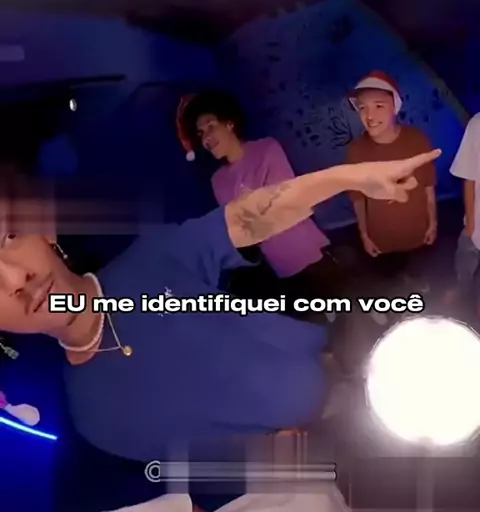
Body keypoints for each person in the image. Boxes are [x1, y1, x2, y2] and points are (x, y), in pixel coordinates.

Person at [0, 149, 440, 512]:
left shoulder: (150, 261)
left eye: (9, 237)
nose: (16, 278)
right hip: (314, 483)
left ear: (42, 230)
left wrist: (349, 178)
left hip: (379, 393)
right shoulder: (87, 416)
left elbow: (246, 219)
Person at [180, 90, 341, 326]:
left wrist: (255, 219)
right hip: (282, 271)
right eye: (201, 133)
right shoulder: (218, 181)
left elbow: (286, 205)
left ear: (229, 123)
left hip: (313, 257)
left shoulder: (267, 148)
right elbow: (239, 230)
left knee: (349, 318)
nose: (206, 137)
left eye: (210, 126)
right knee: (315, 330)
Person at [346, 72, 438, 301]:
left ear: (395, 107)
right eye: (362, 108)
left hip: (417, 232)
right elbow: (357, 198)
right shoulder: (356, 150)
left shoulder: (417, 140)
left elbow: (428, 186)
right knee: (388, 280)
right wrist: (364, 234)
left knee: (417, 272)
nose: (370, 116)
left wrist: (433, 222)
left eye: (379, 106)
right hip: (381, 237)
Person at [448, 113, 480, 314]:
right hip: (477, 220)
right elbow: (468, 176)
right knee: (465, 259)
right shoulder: (477, 124)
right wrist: (470, 221)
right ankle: (462, 288)